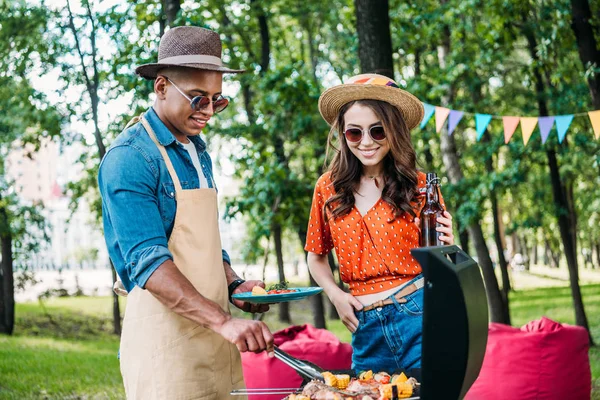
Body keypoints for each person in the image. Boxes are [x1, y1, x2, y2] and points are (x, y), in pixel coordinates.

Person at [98, 26, 273, 399]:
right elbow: (148, 262)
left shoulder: (197, 150)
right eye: (198, 99)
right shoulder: (129, 158)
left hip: (216, 343)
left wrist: (233, 284)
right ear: (161, 87)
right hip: (165, 349)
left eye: (217, 101)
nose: (209, 111)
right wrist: (225, 321)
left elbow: (204, 243)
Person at [305, 74, 455, 374]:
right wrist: (336, 296)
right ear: (343, 135)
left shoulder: (422, 186)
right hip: (364, 325)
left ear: (394, 131)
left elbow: (442, 262)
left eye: (377, 130)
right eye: (354, 133)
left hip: (419, 317)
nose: (367, 142)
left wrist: (449, 245)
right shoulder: (327, 188)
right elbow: (316, 256)